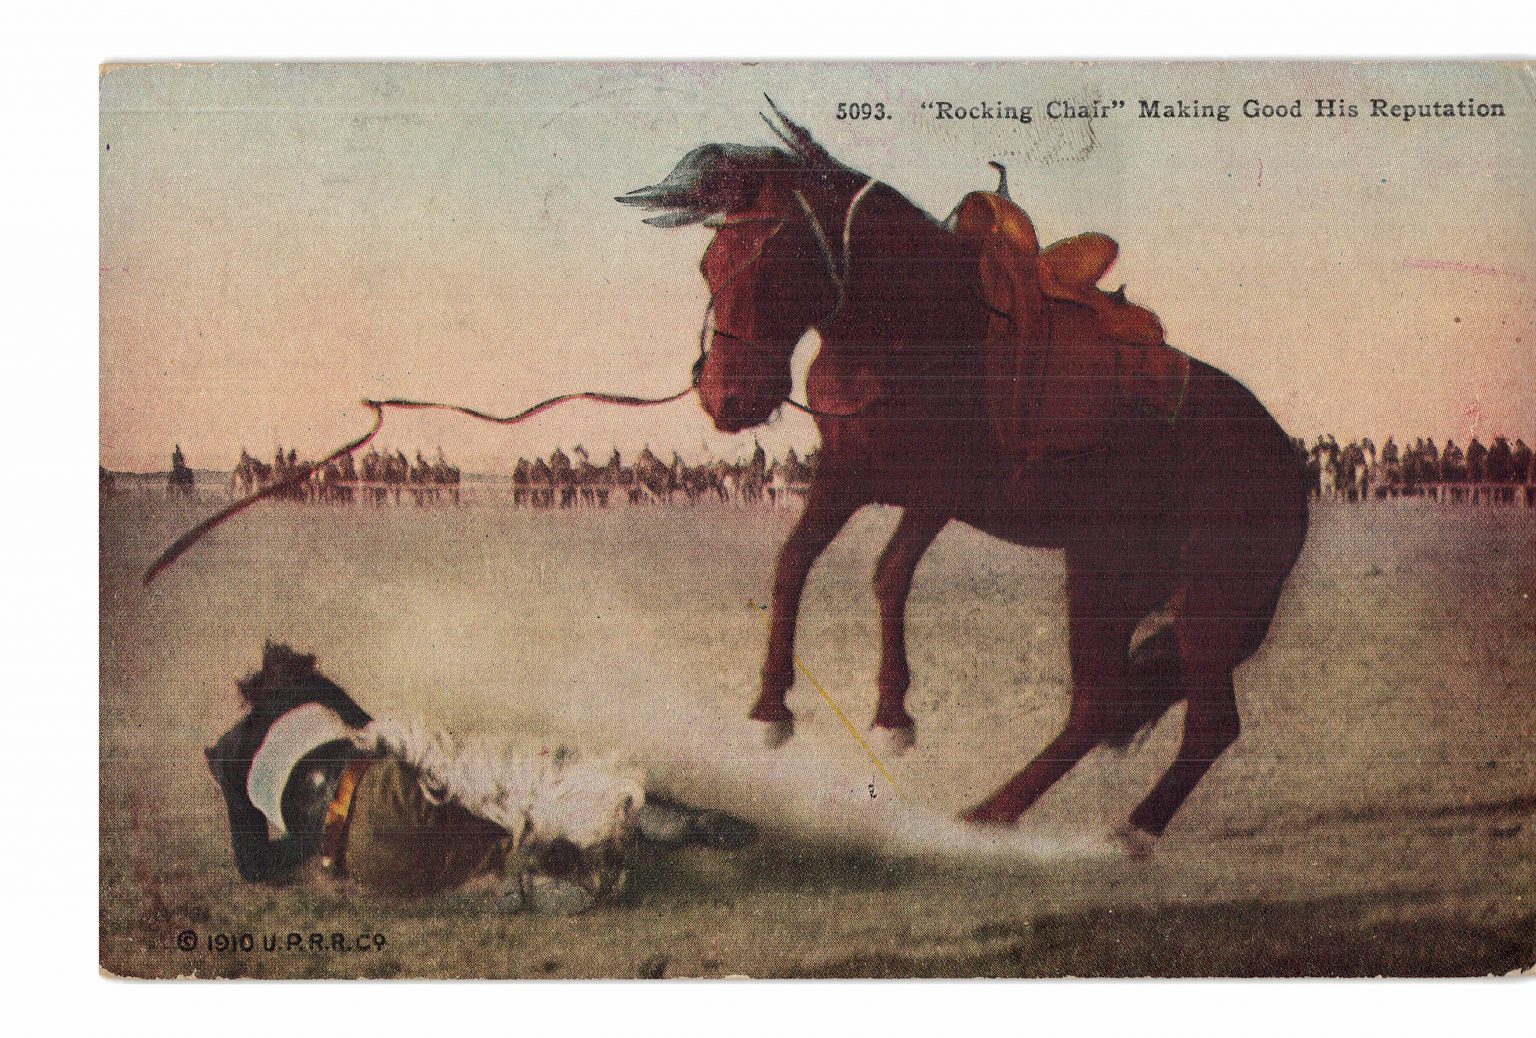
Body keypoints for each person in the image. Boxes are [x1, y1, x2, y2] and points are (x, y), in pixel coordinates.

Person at [206, 643, 755, 915]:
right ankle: (651, 816)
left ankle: (530, 878)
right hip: (384, 794)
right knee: (527, 784)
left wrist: (314, 838)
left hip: (371, 864)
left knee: (492, 859)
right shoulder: (302, 688)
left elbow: (254, 867)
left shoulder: (229, 759)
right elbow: (374, 730)